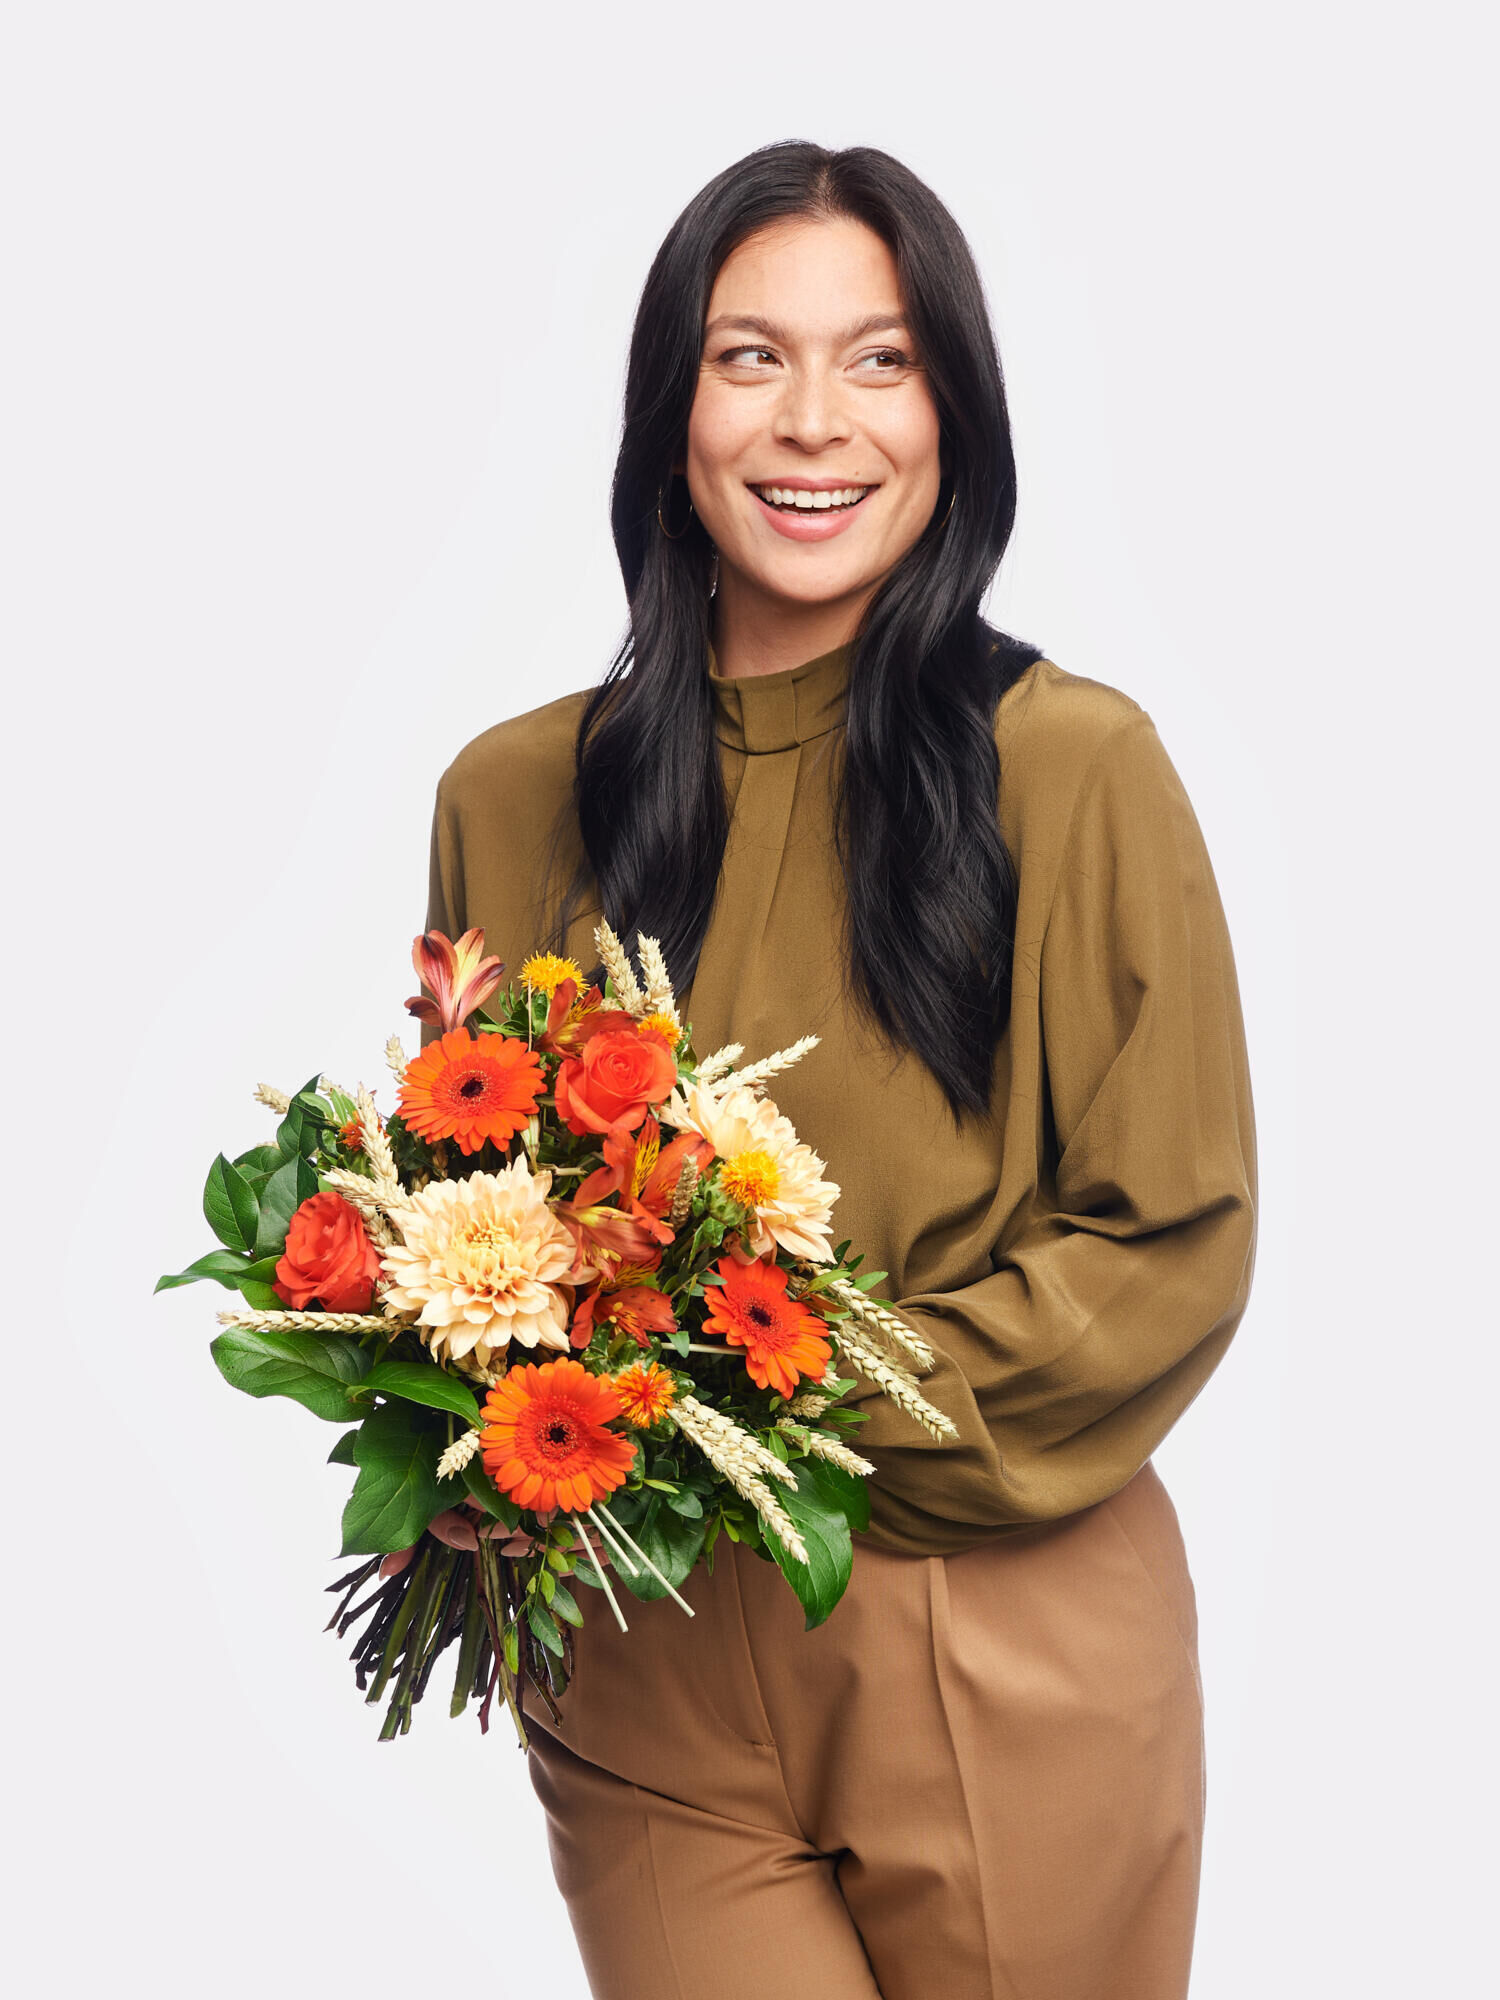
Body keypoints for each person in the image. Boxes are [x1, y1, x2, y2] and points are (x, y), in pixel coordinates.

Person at [423, 140, 1256, 2000]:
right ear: (673, 404)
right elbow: (467, 1217)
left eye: (880, 360)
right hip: (641, 1652)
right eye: (750, 358)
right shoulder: (509, 796)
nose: (816, 423)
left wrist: (762, 1414)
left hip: (995, 1626)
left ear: (953, 407)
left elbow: (1165, 1245)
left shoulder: (1073, 770)